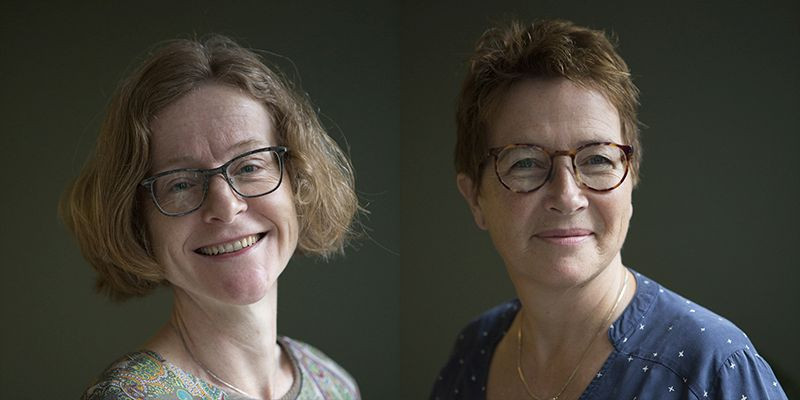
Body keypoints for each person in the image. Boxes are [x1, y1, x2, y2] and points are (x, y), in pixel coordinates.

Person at [430, 19, 788, 400]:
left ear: (631, 178)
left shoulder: (713, 370)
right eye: (525, 162)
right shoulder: (473, 354)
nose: (567, 196)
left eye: (597, 159)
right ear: (475, 198)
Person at [62, 35, 361, 399]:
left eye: (249, 166)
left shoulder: (335, 385)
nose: (226, 206)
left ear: (296, 179)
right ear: (138, 221)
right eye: (181, 183)